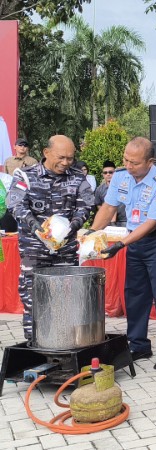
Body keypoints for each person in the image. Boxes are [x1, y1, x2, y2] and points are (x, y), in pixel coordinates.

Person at [91, 137, 156, 370]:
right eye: (125, 160)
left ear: (150, 161)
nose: (129, 166)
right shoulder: (120, 177)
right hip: (134, 242)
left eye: (135, 163)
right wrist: (91, 232)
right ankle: (138, 344)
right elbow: (108, 207)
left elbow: (151, 223)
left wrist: (121, 244)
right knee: (135, 295)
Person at [6, 135, 94, 339]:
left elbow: (86, 206)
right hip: (34, 252)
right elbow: (15, 205)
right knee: (34, 300)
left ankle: (64, 345)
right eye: (61, 157)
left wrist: (71, 227)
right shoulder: (25, 176)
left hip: (65, 253)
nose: (66, 163)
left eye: (70, 159)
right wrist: (36, 227)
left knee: (67, 301)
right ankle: (34, 345)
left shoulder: (78, 178)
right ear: (46, 153)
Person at [95, 160, 127, 227]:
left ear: (115, 173)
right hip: (108, 222)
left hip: (124, 220)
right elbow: (99, 205)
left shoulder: (124, 186)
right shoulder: (99, 189)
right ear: (102, 174)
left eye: (110, 172)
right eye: (105, 172)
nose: (108, 174)